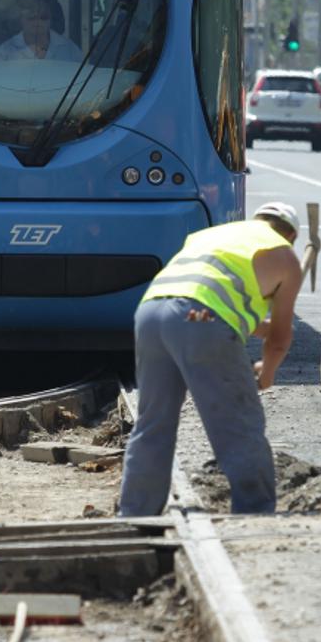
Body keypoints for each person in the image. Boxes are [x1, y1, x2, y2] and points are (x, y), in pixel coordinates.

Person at [118, 203, 304, 516]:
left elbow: (204, 300)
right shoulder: (284, 254)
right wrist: (267, 373)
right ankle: (256, 511)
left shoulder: (215, 236)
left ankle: (136, 511)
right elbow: (280, 340)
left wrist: (259, 327)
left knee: (153, 422)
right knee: (238, 421)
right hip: (201, 318)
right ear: (291, 234)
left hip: (152, 313)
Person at [0, 0, 83, 63]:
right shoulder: (2, 54)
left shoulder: (71, 50)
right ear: (20, 19)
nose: (38, 22)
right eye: (31, 17)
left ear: (51, 19)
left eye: (43, 17)